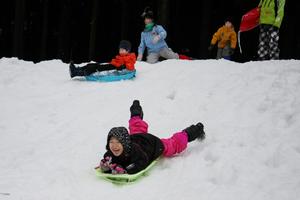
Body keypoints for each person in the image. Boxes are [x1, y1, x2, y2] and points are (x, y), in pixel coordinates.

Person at [95, 100, 206, 174]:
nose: (114, 146)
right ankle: (136, 111)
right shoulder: (111, 151)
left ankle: (192, 131)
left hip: (153, 144)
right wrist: (105, 164)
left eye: (118, 142)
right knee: (136, 126)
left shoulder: (136, 152)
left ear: (124, 143)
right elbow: (108, 158)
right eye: (111, 142)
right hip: (137, 137)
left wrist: (124, 170)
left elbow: (142, 163)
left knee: (174, 145)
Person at [69, 40, 136, 78]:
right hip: (111, 65)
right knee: (93, 65)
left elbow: (130, 68)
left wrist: (123, 67)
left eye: (122, 50)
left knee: (95, 69)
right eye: (120, 49)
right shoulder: (121, 56)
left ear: (127, 51)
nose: (120, 51)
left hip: (113, 68)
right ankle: (77, 69)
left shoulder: (130, 58)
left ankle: (76, 73)